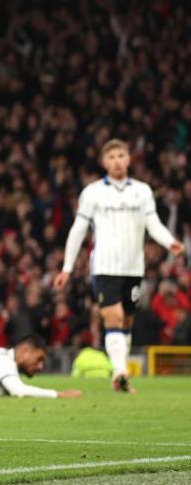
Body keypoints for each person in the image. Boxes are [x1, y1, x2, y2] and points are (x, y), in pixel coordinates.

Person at [54, 139, 185, 393]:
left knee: (125, 322)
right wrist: (67, 267)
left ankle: (120, 375)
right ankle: (121, 371)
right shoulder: (93, 192)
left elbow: (153, 223)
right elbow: (78, 229)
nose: (117, 161)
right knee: (111, 317)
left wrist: (170, 242)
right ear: (104, 162)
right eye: (111, 156)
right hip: (104, 267)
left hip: (133, 268)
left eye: (121, 155)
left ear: (129, 159)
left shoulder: (143, 191)